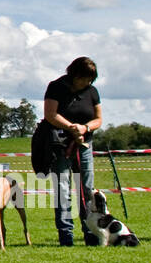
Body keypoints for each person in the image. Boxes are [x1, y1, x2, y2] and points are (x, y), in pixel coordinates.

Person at [39, 56, 103, 246]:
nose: (88, 82)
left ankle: (91, 232)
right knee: (63, 189)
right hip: (60, 145)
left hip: (84, 144)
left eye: (91, 79)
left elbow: (98, 119)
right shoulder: (56, 87)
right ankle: (66, 235)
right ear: (75, 74)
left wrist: (85, 128)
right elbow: (50, 114)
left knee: (88, 189)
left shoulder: (92, 91)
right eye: (84, 78)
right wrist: (71, 127)